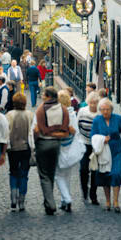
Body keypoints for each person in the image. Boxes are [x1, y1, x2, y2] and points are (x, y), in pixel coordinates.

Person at [34, 87, 72, 215]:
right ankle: (47, 201)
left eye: (44, 95)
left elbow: (41, 129)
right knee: (50, 173)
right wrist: (57, 132)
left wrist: (47, 133)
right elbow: (65, 129)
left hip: (43, 143)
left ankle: (50, 204)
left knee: (44, 175)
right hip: (56, 144)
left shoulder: (41, 109)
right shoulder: (63, 109)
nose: (42, 96)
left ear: (48, 96)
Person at [91, 98, 121, 213]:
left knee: (116, 173)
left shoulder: (118, 119)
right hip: (104, 151)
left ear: (111, 109)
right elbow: (93, 136)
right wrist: (102, 140)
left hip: (117, 150)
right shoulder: (97, 120)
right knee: (106, 175)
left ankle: (116, 202)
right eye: (103, 110)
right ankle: (108, 201)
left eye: (107, 109)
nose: (105, 112)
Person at [55, 91, 84, 213]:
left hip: (61, 147)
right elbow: (76, 132)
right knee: (66, 176)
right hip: (71, 148)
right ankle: (63, 200)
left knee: (58, 175)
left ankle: (67, 199)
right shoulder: (72, 113)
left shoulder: (60, 114)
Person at [6, 93, 35, 212]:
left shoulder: (9, 115)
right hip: (26, 148)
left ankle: (13, 198)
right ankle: (21, 201)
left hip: (12, 148)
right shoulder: (29, 114)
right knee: (24, 175)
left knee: (13, 172)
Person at [77, 91, 100, 204]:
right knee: (83, 169)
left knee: (95, 170)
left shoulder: (100, 115)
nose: (93, 105)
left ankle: (93, 194)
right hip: (84, 144)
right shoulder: (82, 111)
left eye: (95, 103)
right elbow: (77, 126)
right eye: (91, 102)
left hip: (96, 146)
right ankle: (84, 190)